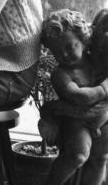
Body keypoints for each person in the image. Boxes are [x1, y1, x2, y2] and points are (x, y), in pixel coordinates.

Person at [39, 9, 108, 185]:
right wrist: (103, 89)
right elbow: (79, 97)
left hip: (102, 120)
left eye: (70, 47)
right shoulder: (61, 74)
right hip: (76, 122)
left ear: (84, 41)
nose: (64, 55)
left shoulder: (96, 62)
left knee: (100, 159)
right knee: (77, 156)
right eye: (57, 51)